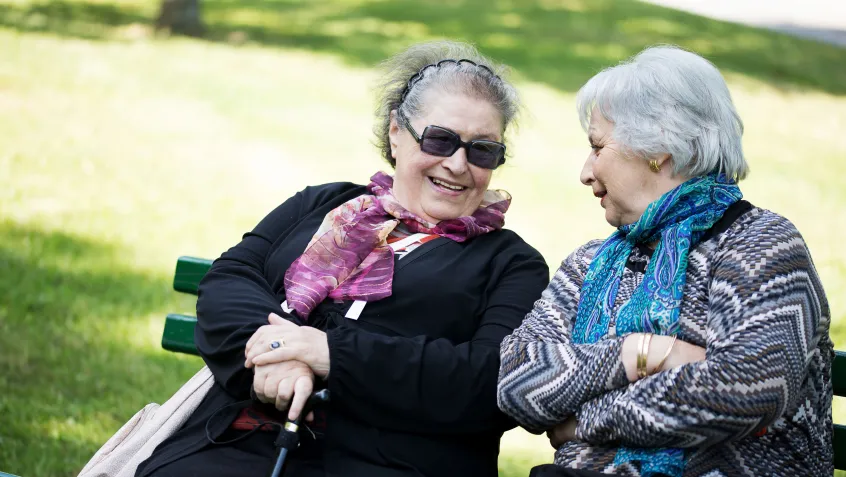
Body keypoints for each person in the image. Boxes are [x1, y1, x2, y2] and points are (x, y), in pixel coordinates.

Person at [134, 40, 549, 477]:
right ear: (396, 131)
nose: (459, 164)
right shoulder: (325, 204)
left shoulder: (511, 264)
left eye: (482, 149)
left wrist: (332, 354)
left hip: (383, 463)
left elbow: (488, 380)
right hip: (236, 441)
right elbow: (231, 278)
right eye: (441, 140)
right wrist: (285, 358)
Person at [496, 45, 832, 477]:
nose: (584, 172)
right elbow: (515, 380)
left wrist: (585, 421)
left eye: (597, 147)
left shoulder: (760, 247)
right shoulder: (590, 264)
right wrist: (641, 352)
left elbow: (746, 390)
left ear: (658, 150)